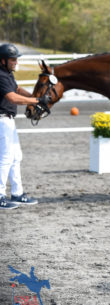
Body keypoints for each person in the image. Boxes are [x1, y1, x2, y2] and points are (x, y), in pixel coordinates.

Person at [0, 43, 43, 210]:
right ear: (3, 61)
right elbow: (12, 97)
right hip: (2, 120)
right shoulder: (1, 76)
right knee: (5, 158)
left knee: (16, 156)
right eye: (12, 59)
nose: (15, 62)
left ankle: (17, 193)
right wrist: (35, 101)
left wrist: (33, 95)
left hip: (8, 120)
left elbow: (17, 89)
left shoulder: (7, 74)